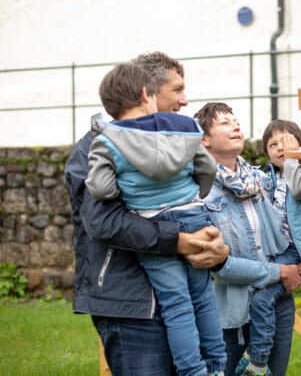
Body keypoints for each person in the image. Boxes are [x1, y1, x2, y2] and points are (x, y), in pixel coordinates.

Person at [65, 52, 229, 376]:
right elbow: (103, 223)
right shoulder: (95, 145)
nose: (184, 100)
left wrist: (218, 250)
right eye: (176, 89)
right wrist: (180, 241)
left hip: (185, 297)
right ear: (147, 92)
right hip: (131, 309)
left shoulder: (176, 139)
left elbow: (197, 204)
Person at [194, 103, 301, 376]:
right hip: (230, 314)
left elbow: (296, 217)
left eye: (236, 121)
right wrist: (282, 272)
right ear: (204, 139)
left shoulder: (261, 180)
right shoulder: (198, 192)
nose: (235, 126)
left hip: (277, 302)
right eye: (224, 123)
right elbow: (219, 267)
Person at [232, 119, 301, 375]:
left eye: (287, 140)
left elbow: (300, 190)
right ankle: (258, 355)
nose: (281, 147)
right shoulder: (268, 178)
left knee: (263, 298)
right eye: (273, 144)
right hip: (276, 251)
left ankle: (257, 360)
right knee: (262, 298)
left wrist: (296, 157)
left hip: (294, 250)